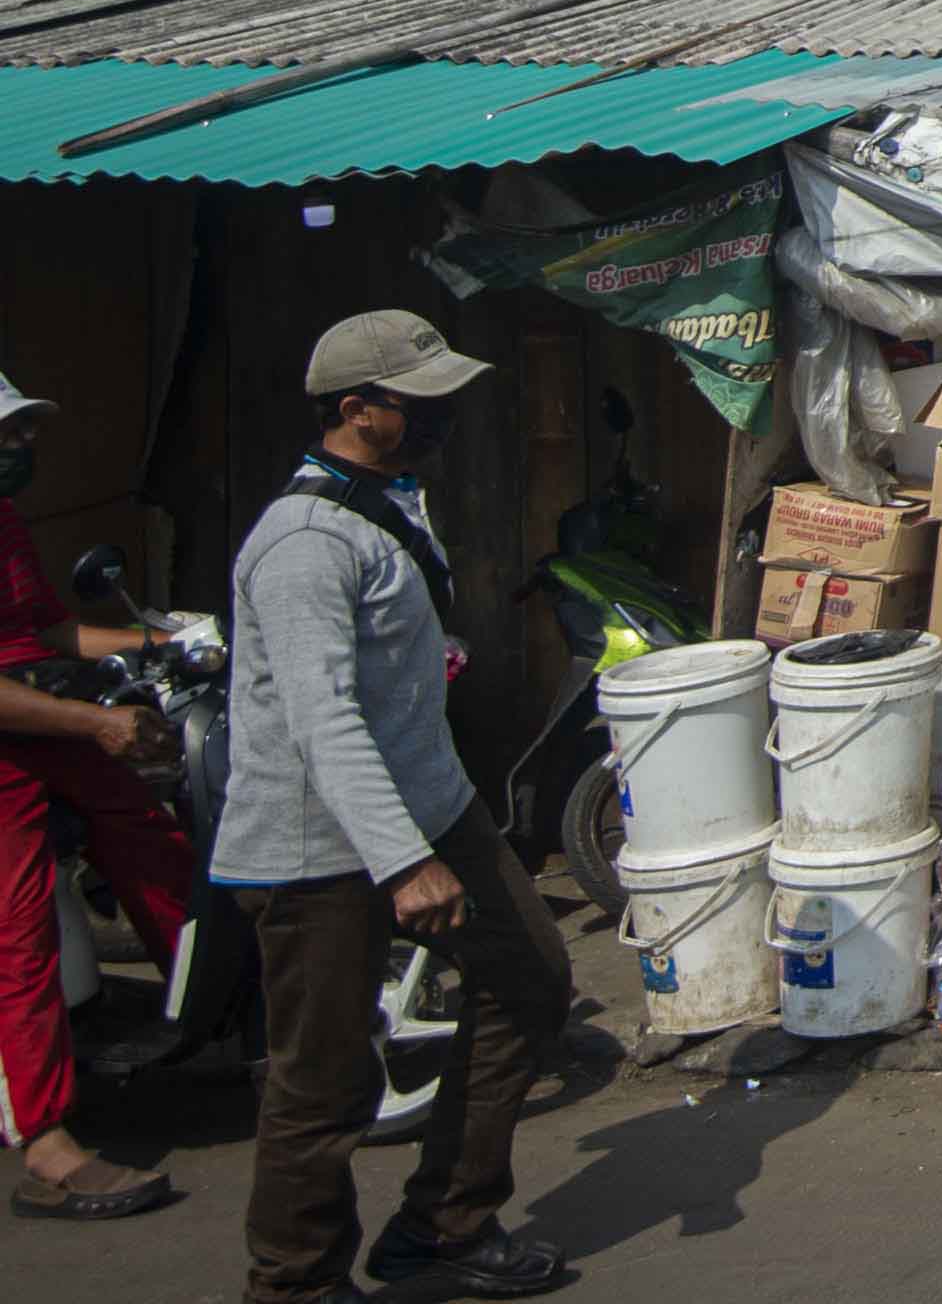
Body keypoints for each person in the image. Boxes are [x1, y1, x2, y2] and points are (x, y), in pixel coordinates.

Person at [218, 312, 572, 1304]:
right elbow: (322, 720)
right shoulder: (300, 543)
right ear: (354, 409)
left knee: (532, 977)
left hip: (430, 799)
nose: (443, 417)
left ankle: (445, 1223)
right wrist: (401, 860)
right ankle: (293, 1281)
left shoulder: (392, 501)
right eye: (421, 403)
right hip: (316, 841)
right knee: (322, 1082)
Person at [0, 368, 196, 1221]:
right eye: (9, 434)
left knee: (152, 835)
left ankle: (214, 1007)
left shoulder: (5, 519)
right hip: (18, 733)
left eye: (23, 431)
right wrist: (90, 724)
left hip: (40, 720)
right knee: (20, 931)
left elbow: (45, 631)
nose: (23, 447)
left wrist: (168, 636)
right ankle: (44, 1141)